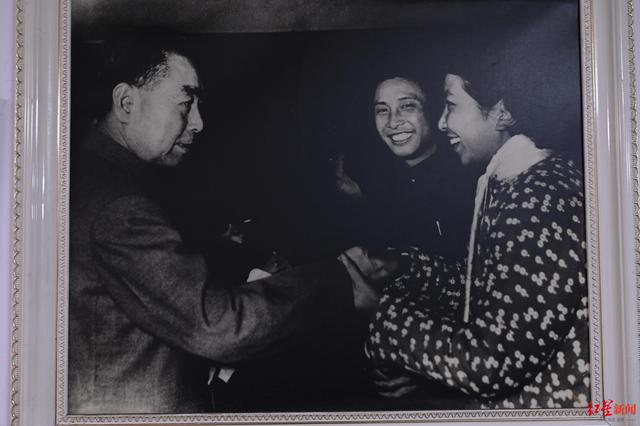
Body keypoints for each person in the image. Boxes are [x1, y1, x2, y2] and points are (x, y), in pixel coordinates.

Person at [69, 38, 369, 414]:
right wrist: (338, 279)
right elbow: (217, 327)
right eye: (185, 103)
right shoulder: (120, 206)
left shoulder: (88, 177)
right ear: (127, 102)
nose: (198, 122)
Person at [346, 68, 589, 409]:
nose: (442, 122)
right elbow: (490, 288)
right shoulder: (512, 180)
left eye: (451, 106)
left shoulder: (538, 196)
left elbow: (492, 365)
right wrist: (408, 266)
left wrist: (382, 315)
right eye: (381, 110)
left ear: (502, 113)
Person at [335, 77, 476, 259]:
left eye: (407, 106)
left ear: (432, 110)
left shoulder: (465, 181)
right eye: (382, 110)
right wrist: (359, 200)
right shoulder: (380, 181)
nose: (392, 122)